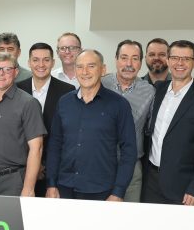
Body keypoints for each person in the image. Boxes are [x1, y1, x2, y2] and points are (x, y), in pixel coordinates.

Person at [46, 50, 137, 201]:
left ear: (103, 69)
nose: (85, 72)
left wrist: (118, 192)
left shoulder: (119, 105)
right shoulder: (64, 102)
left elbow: (129, 150)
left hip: (102, 191)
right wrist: (51, 184)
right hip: (64, 187)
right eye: (80, 67)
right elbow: (55, 145)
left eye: (91, 66)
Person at [143, 40, 194, 205]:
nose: (180, 63)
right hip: (150, 182)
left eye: (186, 59)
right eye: (175, 58)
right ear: (168, 60)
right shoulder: (157, 90)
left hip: (183, 188)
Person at [0, 53, 45, 197]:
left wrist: (29, 188)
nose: (1, 74)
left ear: (16, 72)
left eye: (7, 69)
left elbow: (37, 148)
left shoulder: (29, 103)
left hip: (14, 181)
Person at [17, 43, 75, 197]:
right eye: (36, 60)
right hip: (21, 171)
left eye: (46, 60)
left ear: (53, 62)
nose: (41, 65)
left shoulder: (67, 91)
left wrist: (45, 166)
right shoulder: (17, 89)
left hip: (55, 172)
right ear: (29, 62)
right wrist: (31, 165)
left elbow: (67, 135)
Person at [100, 40, 155, 202]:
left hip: (131, 166)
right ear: (116, 59)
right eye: (124, 58)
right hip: (99, 162)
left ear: (141, 62)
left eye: (135, 58)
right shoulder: (100, 84)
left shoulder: (149, 91)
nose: (129, 64)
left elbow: (151, 128)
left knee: (130, 215)